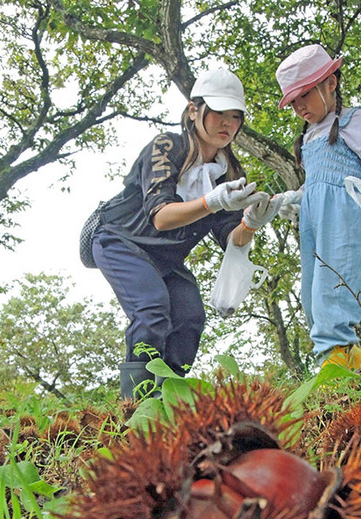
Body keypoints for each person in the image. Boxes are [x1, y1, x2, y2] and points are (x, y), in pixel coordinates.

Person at [90, 68, 280, 398]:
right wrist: (213, 201)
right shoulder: (166, 147)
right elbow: (162, 218)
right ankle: (134, 409)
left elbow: (231, 239)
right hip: (120, 241)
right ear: (194, 110)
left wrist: (251, 223)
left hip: (166, 258)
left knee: (190, 317)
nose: (227, 124)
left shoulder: (229, 173)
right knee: (151, 311)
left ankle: (169, 401)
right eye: (219, 112)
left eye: (235, 116)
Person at [275, 45, 361, 370]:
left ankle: (336, 366)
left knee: (331, 291)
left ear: (331, 83)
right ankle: (352, 363)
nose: (300, 107)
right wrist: (293, 198)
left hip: (344, 215)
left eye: (305, 95)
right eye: (293, 101)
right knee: (312, 296)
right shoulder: (308, 136)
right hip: (313, 220)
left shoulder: (354, 119)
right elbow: (317, 181)